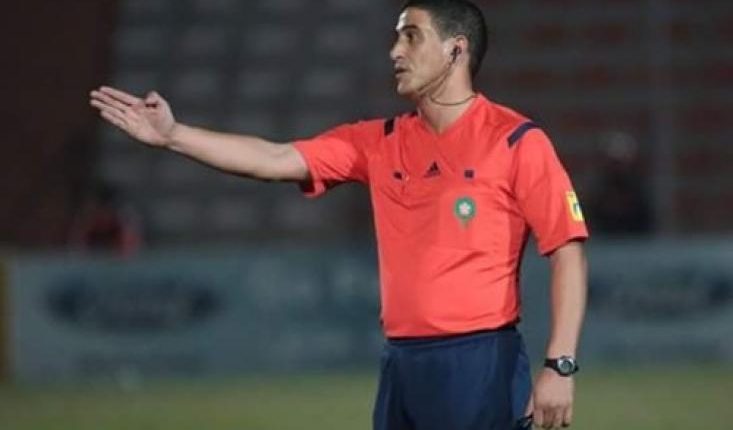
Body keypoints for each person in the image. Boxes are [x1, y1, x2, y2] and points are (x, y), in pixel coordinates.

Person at [89, 1, 588, 428]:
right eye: (396, 38)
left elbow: (567, 252)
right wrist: (175, 136)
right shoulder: (379, 141)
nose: (395, 51)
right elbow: (275, 158)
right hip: (401, 363)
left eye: (411, 37)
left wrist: (559, 365)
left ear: (456, 49)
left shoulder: (516, 140)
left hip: (479, 361)